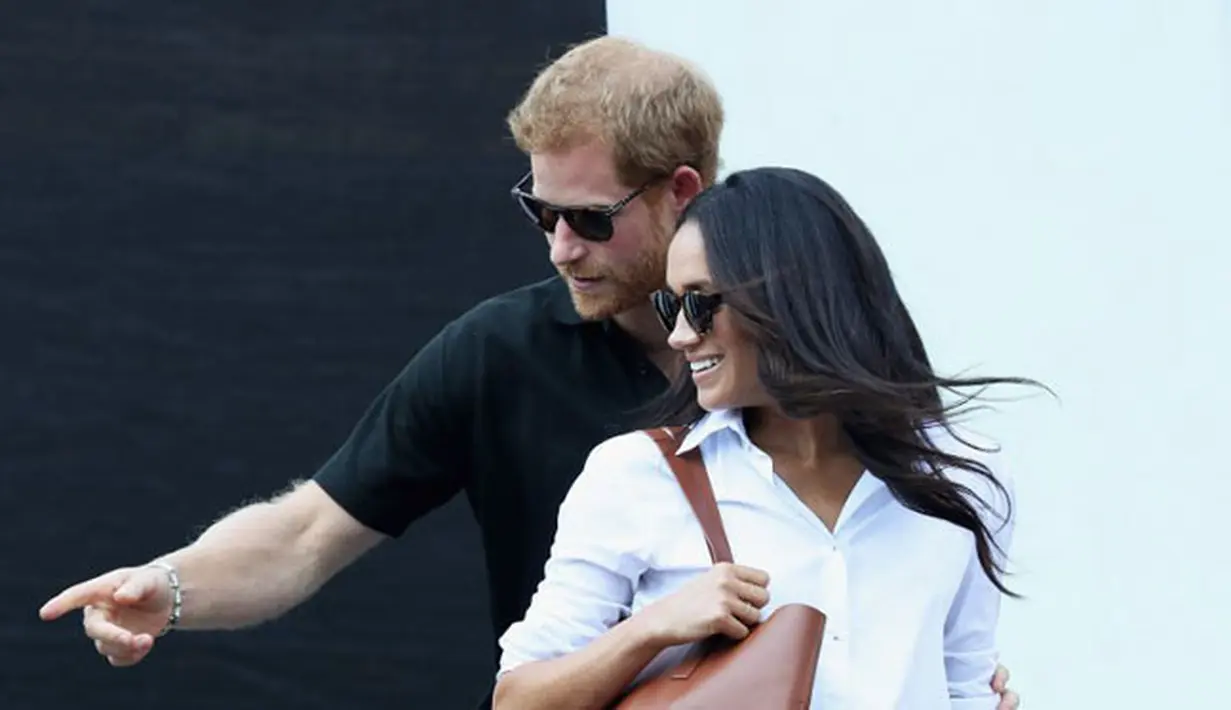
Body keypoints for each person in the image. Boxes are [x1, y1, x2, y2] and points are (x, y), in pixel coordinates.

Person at [37, 37, 1021, 709]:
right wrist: (168, 587)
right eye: (537, 210)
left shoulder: (844, 401)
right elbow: (306, 530)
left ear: (684, 192)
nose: (558, 245)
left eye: (589, 218)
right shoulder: (505, 358)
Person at [492, 166, 1041, 709]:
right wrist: (651, 629)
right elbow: (518, 699)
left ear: (791, 298)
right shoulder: (638, 475)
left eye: (701, 303)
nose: (681, 335)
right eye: (670, 304)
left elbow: (965, 687)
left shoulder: (964, 477)